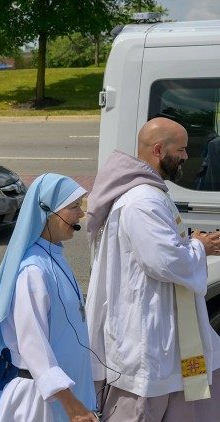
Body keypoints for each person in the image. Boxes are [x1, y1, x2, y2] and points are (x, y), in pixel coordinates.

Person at [86, 117, 220, 420]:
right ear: (159, 150)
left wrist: (192, 243)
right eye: (182, 149)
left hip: (161, 330)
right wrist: (201, 247)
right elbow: (163, 260)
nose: (187, 156)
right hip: (146, 336)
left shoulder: (151, 194)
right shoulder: (141, 201)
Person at [0, 173, 98, 422]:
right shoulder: (33, 270)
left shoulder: (53, 256)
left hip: (61, 400)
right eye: (73, 207)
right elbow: (35, 348)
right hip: (39, 404)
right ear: (47, 212)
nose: (80, 215)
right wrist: (71, 404)